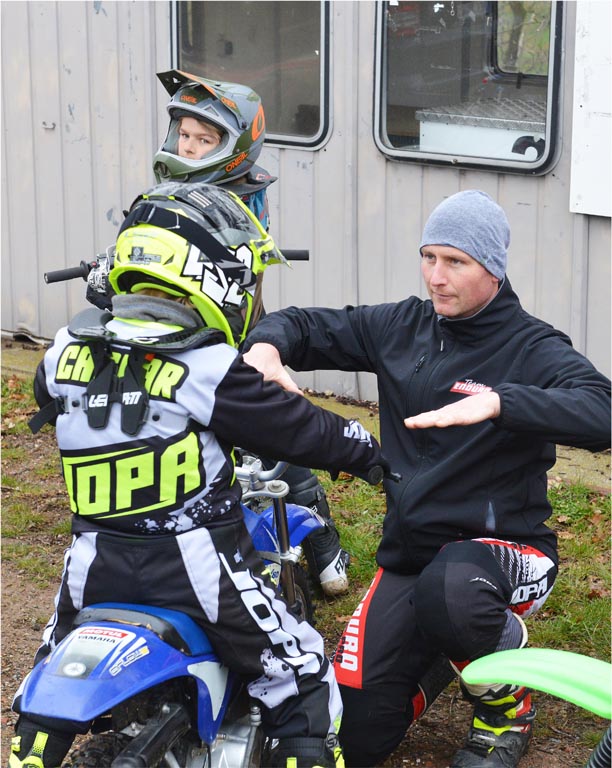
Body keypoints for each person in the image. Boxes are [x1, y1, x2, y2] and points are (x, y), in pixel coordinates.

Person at [9, 182, 391, 768]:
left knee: (51, 670)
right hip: (194, 566)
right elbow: (296, 427)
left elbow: (48, 393)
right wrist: (367, 452)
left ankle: (32, 747)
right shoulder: (205, 364)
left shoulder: (62, 351)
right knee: (300, 671)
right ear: (206, 274)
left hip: (92, 564)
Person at [242, 189, 612, 768]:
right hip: (412, 559)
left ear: (492, 268)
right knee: (353, 737)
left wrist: (502, 403)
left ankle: (505, 709)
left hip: (509, 555)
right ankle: (448, 650)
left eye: (456, 262)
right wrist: (267, 346)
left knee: (452, 593)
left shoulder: (532, 346)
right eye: (429, 257)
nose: (437, 277)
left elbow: (603, 410)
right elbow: (306, 325)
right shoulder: (401, 325)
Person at [151, 69, 352, 596]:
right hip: (173, 335)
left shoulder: (243, 192)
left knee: (270, 424)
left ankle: (320, 538)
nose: (189, 147)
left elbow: (245, 260)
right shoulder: (164, 193)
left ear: (235, 146)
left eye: (204, 139)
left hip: (235, 330)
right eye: (184, 135)